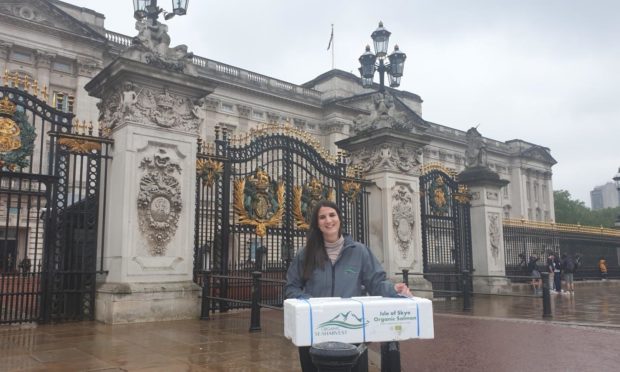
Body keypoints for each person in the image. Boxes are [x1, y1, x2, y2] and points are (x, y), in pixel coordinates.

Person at [285, 200, 412, 372]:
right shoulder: (305, 254)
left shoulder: (359, 251)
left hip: (352, 331)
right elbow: (291, 288)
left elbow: (376, 282)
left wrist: (394, 289)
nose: (328, 221)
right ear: (317, 223)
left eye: (332, 215)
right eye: (322, 217)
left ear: (339, 219)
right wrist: (310, 303)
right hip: (315, 331)